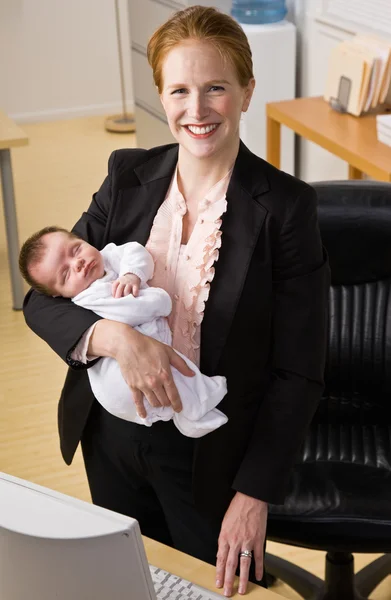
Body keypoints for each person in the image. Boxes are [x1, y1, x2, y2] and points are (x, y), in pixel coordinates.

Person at [23, 5, 330, 597]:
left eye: (216, 87)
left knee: (205, 590)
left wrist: (255, 492)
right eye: (180, 90)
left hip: (210, 451)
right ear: (161, 96)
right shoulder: (127, 175)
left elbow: (299, 370)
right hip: (111, 434)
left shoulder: (288, 209)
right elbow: (46, 297)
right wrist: (115, 338)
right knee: (128, 583)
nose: (197, 110)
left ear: (246, 92)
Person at [19, 227, 228, 437]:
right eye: (66, 274)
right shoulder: (89, 296)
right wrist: (159, 300)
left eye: (75, 250)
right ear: (59, 294)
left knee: (173, 368)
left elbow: (136, 252)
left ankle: (194, 407)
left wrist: (131, 274)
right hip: (116, 383)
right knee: (171, 373)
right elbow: (133, 310)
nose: (78, 262)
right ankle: (194, 411)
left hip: (144, 350)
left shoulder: (110, 255)